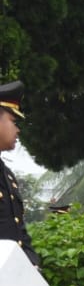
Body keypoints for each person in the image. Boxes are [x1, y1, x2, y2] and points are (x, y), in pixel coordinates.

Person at [0, 80, 39, 266]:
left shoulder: (7, 175)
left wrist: (33, 267)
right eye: (13, 121)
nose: (18, 130)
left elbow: (19, 234)